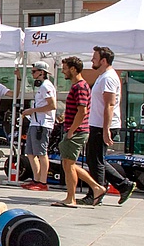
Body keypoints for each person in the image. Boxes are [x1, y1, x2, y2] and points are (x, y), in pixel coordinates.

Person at [81, 45, 135, 205]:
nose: (92, 60)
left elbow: (110, 105)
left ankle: (95, 193)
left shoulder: (108, 78)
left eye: (95, 58)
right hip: (97, 124)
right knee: (95, 159)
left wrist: (106, 129)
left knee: (95, 160)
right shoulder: (103, 76)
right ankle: (123, 185)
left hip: (102, 125)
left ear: (103, 60)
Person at [52, 56, 104, 207]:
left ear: (73, 69)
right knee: (69, 163)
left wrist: (71, 131)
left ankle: (71, 198)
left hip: (76, 131)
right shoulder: (80, 86)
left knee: (68, 164)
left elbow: (82, 111)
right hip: (76, 129)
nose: (63, 72)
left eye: (65, 69)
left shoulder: (79, 87)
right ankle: (96, 187)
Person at [21, 61, 57, 191]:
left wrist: (32, 111)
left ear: (42, 72)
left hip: (43, 124)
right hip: (35, 123)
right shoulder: (41, 87)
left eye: (34, 71)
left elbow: (52, 105)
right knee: (30, 153)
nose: (33, 74)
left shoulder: (46, 86)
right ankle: (36, 179)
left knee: (41, 153)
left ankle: (43, 182)